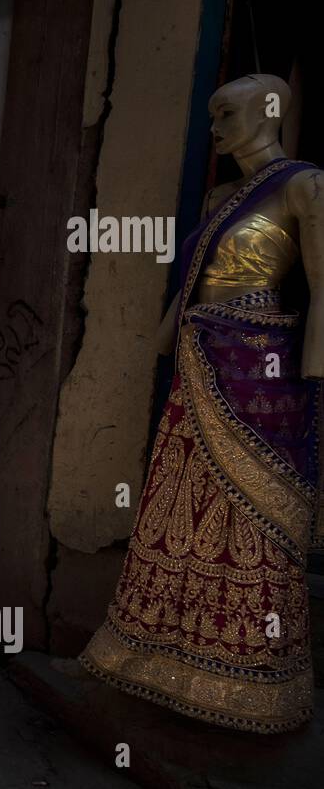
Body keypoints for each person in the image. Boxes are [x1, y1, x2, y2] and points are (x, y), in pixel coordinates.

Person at [80, 74, 324, 733]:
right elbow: (189, 282)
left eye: (226, 117)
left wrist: (312, 377)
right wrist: (165, 342)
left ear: (271, 111)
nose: (213, 132)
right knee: (182, 510)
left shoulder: (303, 184)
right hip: (198, 362)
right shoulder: (219, 196)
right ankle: (164, 659)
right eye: (212, 118)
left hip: (263, 372)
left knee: (256, 518)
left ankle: (254, 686)